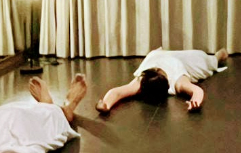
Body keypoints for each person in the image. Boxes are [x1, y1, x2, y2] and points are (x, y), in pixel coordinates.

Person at [95, 47, 228, 113]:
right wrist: (105, 104)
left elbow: (196, 91)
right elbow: (117, 92)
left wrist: (195, 102)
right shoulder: (142, 80)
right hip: (157, 56)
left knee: (208, 60)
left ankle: (219, 55)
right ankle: (218, 56)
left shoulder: (178, 80)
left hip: (183, 62)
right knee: (205, 60)